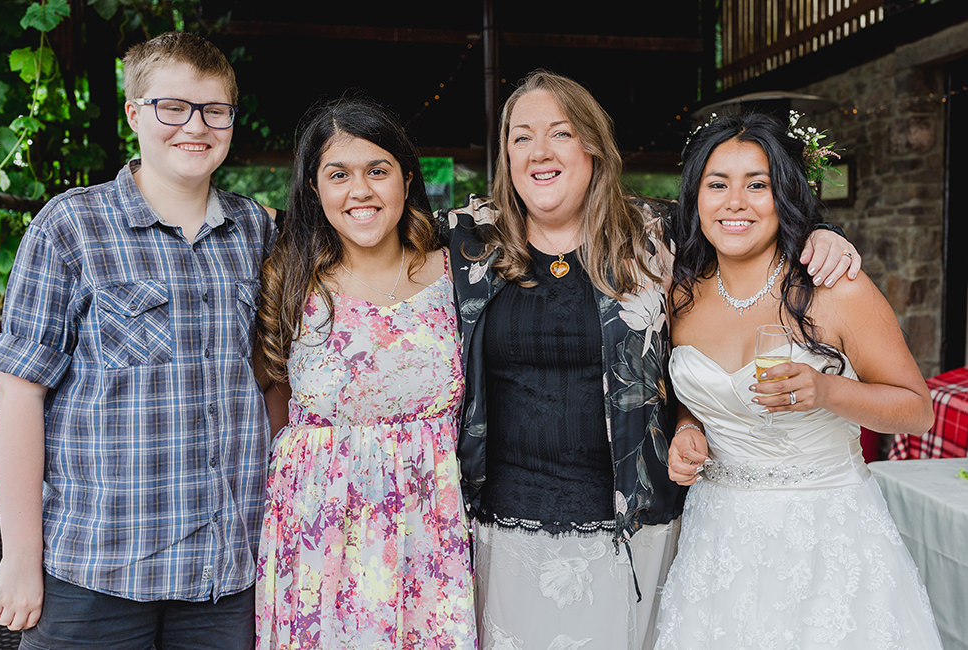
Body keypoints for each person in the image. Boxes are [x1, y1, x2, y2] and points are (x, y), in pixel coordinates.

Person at [437, 70, 860, 649]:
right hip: (501, 526)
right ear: (506, 153)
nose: (539, 152)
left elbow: (743, 223)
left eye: (559, 133)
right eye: (521, 137)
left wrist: (821, 230)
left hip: (634, 520)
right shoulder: (467, 240)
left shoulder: (657, 233)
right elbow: (371, 231)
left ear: (592, 147)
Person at [0, 32, 276, 648]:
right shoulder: (71, 227)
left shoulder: (255, 229)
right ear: (134, 114)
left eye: (214, 110)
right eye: (171, 107)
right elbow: (18, 394)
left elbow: (270, 378)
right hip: (94, 571)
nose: (193, 126)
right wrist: (19, 556)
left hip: (224, 576)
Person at [654, 112, 943, 648]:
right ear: (696, 198)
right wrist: (686, 427)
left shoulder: (836, 288)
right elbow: (701, 397)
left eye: (756, 185)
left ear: (783, 194)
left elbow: (917, 409)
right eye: (717, 184)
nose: (735, 201)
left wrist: (828, 390)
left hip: (828, 535)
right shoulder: (680, 295)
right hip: (718, 539)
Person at [254, 97, 476, 649]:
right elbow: (273, 396)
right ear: (314, 188)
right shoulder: (290, 279)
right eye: (339, 174)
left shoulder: (458, 273)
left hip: (433, 523)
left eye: (378, 170)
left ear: (405, 177)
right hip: (320, 527)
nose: (361, 191)